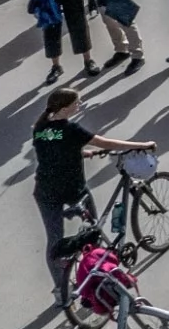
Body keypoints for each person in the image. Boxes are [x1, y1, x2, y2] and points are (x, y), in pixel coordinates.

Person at [31, 86, 155, 308]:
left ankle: (61, 290)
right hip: (73, 190)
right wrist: (141, 144)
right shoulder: (72, 130)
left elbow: (54, 149)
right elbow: (105, 143)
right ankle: (99, 274)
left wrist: (82, 152)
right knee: (94, 231)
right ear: (66, 107)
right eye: (77, 103)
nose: (79, 106)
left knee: (55, 241)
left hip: (45, 192)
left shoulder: (41, 129)